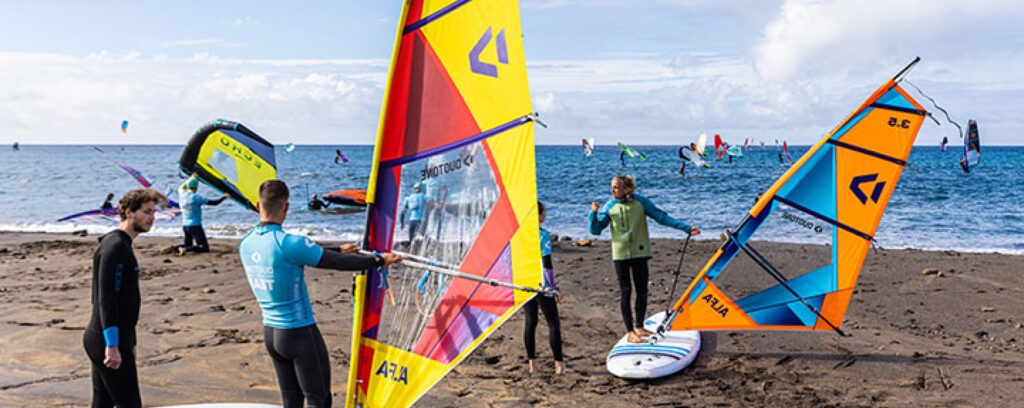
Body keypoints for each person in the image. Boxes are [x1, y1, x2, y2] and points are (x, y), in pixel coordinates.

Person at [239, 179, 401, 408]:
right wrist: (379, 260)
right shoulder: (290, 243)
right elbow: (335, 262)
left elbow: (307, 254)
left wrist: (338, 249)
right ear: (286, 206)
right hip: (298, 333)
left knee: (291, 401)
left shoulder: (246, 243)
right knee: (319, 401)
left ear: (258, 205)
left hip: (271, 334)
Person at [589, 175, 700, 344]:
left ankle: (640, 326)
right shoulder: (610, 206)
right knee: (626, 291)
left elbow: (661, 217)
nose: (612, 190)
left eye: (616, 187)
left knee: (642, 290)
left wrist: (686, 228)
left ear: (627, 189)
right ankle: (630, 331)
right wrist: (593, 213)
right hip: (620, 254)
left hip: (640, 252)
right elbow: (595, 230)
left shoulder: (641, 202)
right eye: (612, 187)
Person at [83, 188, 166, 408]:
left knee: (102, 403)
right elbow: (105, 299)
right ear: (129, 212)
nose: (152, 217)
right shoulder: (116, 247)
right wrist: (113, 346)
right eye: (146, 212)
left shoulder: (119, 244)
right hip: (107, 340)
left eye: (153, 212)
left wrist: (131, 342)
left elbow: (124, 303)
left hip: (111, 338)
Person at [524, 201, 564, 374]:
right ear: (539, 215)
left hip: (525, 283)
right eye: (544, 212)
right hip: (542, 285)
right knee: (553, 323)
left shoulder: (521, 235)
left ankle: (532, 365)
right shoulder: (543, 236)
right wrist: (553, 288)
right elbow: (547, 265)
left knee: (530, 322)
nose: (545, 215)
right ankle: (559, 365)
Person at [176, 175, 227, 255]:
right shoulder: (196, 197)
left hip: (185, 226)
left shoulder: (182, 193)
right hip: (195, 226)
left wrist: (191, 178)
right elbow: (214, 203)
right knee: (204, 248)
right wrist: (224, 197)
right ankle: (185, 248)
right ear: (196, 187)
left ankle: (175, 248)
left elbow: (182, 187)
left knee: (188, 244)